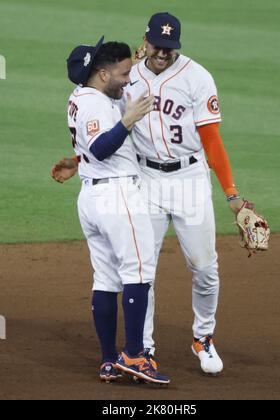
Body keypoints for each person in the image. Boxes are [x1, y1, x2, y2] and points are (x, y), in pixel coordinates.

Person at [52, 13, 250, 376]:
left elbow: (211, 140)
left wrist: (232, 194)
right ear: (146, 42)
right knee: (142, 268)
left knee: (205, 267)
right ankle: (143, 348)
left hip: (189, 176)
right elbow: (104, 133)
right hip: (144, 179)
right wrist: (79, 160)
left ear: (178, 46)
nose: (163, 53)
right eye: (157, 46)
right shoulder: (128, 75)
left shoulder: (197, 77)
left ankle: (203, 337)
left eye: (170, 48)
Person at [64, 36, 170, 384]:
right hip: (117, 197)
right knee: (138, 272)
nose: (129, 79)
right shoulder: (96, 104)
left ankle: (109, 360)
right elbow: (100, 149)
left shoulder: (82, 96)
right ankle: (136, 356)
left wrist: (74, 160)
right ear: (103, 75)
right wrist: (128, 120)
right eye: (123, 74)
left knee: (107, 279)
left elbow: (86, 151)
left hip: (93, 199)